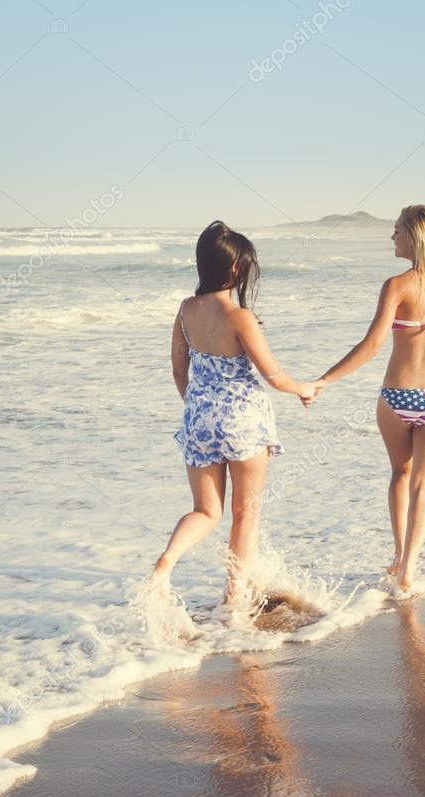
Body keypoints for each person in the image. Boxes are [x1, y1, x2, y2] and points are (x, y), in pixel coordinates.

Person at [307, 204, 425, 593]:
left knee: (400, 473)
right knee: (424, 486)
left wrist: (324, 380)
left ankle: (399, 556)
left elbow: (372, 346)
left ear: (415, 236)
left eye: (396, 230)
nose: (392, 236)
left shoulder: (397, 286)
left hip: (398, 397)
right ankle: (408, 570)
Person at [152, 221, 317, 605]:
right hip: (243, 421)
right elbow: (273, 375)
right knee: (246, 515)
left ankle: (167, 560)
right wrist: (304, 388)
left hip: (198, 419)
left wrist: (198, 406)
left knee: (206, 512)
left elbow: (179, 371)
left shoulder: (186, 310)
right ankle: (233, 600)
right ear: (237, 269)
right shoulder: (241, 317)